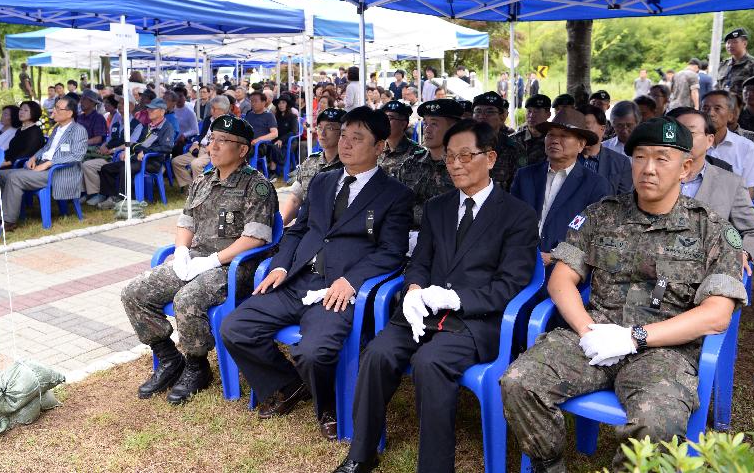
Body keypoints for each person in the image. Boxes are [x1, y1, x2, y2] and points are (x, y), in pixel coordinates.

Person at [501, 116, 747, 473]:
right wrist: (586, 330)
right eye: (640, 157)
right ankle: (548, 465)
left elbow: (716, 314)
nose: (649, 168)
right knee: (519, 382)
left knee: (657, 422)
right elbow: (560, 280)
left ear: (686, 167)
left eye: (662, 158)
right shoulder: (602, 214)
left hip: (664, 352)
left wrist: (635, 338)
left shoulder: (713, 230)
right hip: (595, 336)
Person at [333, 119, 539, 473]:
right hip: (421, 312)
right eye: (449, 157)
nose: (456, 164)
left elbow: (512, 283)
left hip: (473, 322)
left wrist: (457, 299)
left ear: (490, 158)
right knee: (376, 354)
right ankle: (361, 453)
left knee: (430, 364)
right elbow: (420, 261)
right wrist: (413, 288)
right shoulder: (438, 207)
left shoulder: (517, 214)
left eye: (465, 156)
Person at [220, 106, 414, 441]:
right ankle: (287, 385)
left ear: (380, 146)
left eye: (358, 138)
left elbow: (392, 252)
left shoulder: (395, 195)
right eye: (344, 135)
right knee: (235, 326)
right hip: (298, 279)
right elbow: (297, 230)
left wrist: (352, 280)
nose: (346, 144)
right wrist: (281, 263)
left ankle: (329, 406)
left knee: (313, 352)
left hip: (338, 291)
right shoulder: (323, 182)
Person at [122, 116, 278, 404]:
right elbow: (186, 223)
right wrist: (181, 251)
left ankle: (197, 365)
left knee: (187, 298)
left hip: (234, 266)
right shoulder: (203, 180)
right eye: (212, 138)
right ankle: (169, 358)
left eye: (222, 140)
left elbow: (256, 238)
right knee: (134, 292)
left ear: (242, 150)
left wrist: (214, 260)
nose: (213, 145)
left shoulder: (257, 187)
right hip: (195, 258)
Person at [667, 107, 754, 262]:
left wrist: (742, 253)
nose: (681, 139)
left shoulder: (730, 183)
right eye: (675, 133)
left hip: (708, 272)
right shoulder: (650, 176)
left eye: (690, 133)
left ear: (709, 140)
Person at [512, 108, 611, 267]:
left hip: (564, 271)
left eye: (564, 136)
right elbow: (511, 222)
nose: (555, 140)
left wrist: (554, 257)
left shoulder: (595, 185)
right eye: (551, 135)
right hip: (520, 265)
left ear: (580, 145)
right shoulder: (525, 176)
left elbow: (596, 237)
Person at [0, 98, 88, 231]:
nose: (54, 110)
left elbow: (77, 155)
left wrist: (48, 164)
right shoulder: (57, 129)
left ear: (69, 113)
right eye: (55, 107)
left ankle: (8, 221)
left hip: (57, 172)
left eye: (58, 108)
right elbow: (46, 148)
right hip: (42, 167)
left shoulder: (78, 130)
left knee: (14, 177)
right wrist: (34, 157)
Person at [96, 98, 175, 209]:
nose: (149, 111)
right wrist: (128, 151)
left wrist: (145, 151)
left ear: (162, 111)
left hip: (152, 161)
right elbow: (137, 143)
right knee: (106, 168)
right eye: (148, 109)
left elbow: (166, 147)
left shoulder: (167, 127)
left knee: (126, 169)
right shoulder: (147, 126)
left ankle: (126, 199)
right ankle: (111, 197)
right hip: (137, 158)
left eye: (153, 109)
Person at [396, 99, 463, 230]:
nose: (427, 130)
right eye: (426, 123)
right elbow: (395, 206)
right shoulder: (410, 164)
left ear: (453, 128)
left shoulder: (464, 167)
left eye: (434, 124)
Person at [281, 108, 346, 225]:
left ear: (343, 132)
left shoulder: (351, 164)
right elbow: (295, 199)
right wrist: (279, 227)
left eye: (330, 128)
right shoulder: (310, 162)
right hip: (308, 227)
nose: (323, 132)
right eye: (320, 127)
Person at [82, 97, 144, 206]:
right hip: (108, 154)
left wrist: (113, 150)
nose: (120, 105)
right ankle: (94, 193)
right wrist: (104, 146)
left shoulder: (137, 124)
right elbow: (109, 139)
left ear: (131, 107)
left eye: (123, 103)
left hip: (120, 156)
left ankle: (102, 194)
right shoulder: (116, 123)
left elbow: (131, 143)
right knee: (84, 162)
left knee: (89, 165)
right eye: (119, 103)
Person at [702, 90, 754, 195]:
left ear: (730, 115)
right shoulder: (690, 144)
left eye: (717, 108)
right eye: (705, 108)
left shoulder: (747, 148)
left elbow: (750, 190)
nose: (710, 113)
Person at [172, 96, 231, 189]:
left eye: (214, 109)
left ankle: (200, 191)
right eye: (211, 107)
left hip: (213, 152)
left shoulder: (228, 123)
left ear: (223, 110)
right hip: (200, 148)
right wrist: (195, 143)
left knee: (195, 164)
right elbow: (201, 135)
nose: (211, 110)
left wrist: (211, 147)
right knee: (176, 161)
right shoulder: (208, 119)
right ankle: (190, 186)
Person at [472, 92, 527, 191]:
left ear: (501, 117)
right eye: (478, 111)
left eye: (490, 112)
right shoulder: (460, 145)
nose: (482, 116)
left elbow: (520, 190)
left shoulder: (514, 149)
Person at [577, 105, 633, 195]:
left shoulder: (621, 163)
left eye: (586, 128)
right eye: (578, 128)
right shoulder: (564, 159)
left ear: (603, 129)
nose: (581, 132)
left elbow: (624, 200)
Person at [377, 100, 422, 178]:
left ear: (403, 124)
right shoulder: (378, 150)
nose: (384, 123)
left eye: (389, 118)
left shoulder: (417, 154)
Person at [717, 28, 754, 94]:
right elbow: (717, 87)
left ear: (744, 44)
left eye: (735, 42)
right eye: (728, 42)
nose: (730, 45)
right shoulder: (723, 65)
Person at [0, 101, 45, 169]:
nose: (21, 112)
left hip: (20, 165)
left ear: (34, 113)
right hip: (8, 162)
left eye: (26, 110)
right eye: (20, 109)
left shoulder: (35, 132)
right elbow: (11, 150)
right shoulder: (20, 130)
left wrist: (4, 164)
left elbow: (27, 154)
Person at [512, 94, 551, 166]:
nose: (531, 115)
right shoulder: (514, 139)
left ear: (548, 114)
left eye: (537, 111)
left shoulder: (555, 140)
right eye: (529, 111)